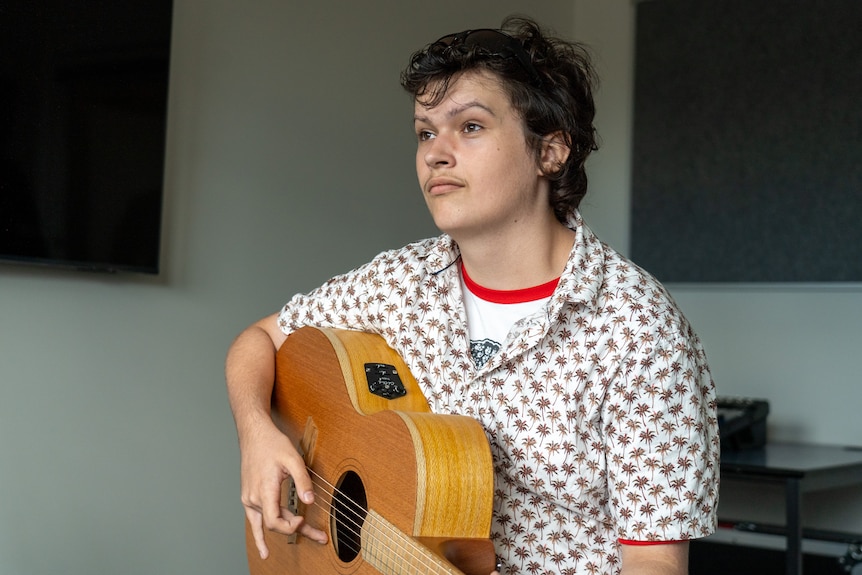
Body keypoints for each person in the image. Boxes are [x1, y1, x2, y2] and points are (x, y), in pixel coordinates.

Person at [226, 15, 719, 575]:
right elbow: (260, 339)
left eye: (471, 127)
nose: (436, 153)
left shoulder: (638, 328)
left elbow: (655, 561)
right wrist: (256, 434)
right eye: (425, 132)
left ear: (551, 151)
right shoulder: (397, 283)